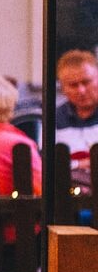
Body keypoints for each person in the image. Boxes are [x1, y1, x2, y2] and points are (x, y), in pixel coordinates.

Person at [54, 50, 98, 186]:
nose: (81, 91)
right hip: (68, 198)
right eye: (73, 85)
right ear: (63, 88)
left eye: (86, 82)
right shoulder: (54, 120)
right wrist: (80, 164)